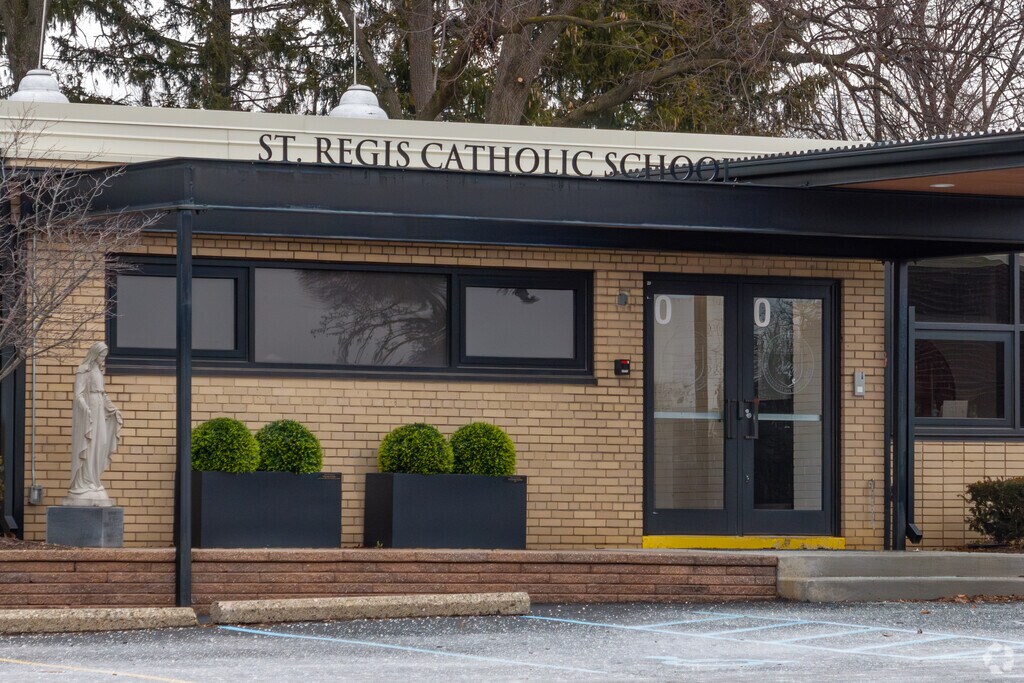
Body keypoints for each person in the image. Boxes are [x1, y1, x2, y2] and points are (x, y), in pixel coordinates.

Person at [64, 342, 123, 506]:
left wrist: (113, 409)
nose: (103, 359)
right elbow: (78, 394)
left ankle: (94, 480)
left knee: (101, 442)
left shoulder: (99, 371)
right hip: (89, 411)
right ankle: (84, 482)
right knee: (88, 445)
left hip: (99, 409)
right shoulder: (84, 370)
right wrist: (86, 410)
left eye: (105, 355)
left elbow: (102, 395)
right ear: (94, 354)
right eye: (101, 355)